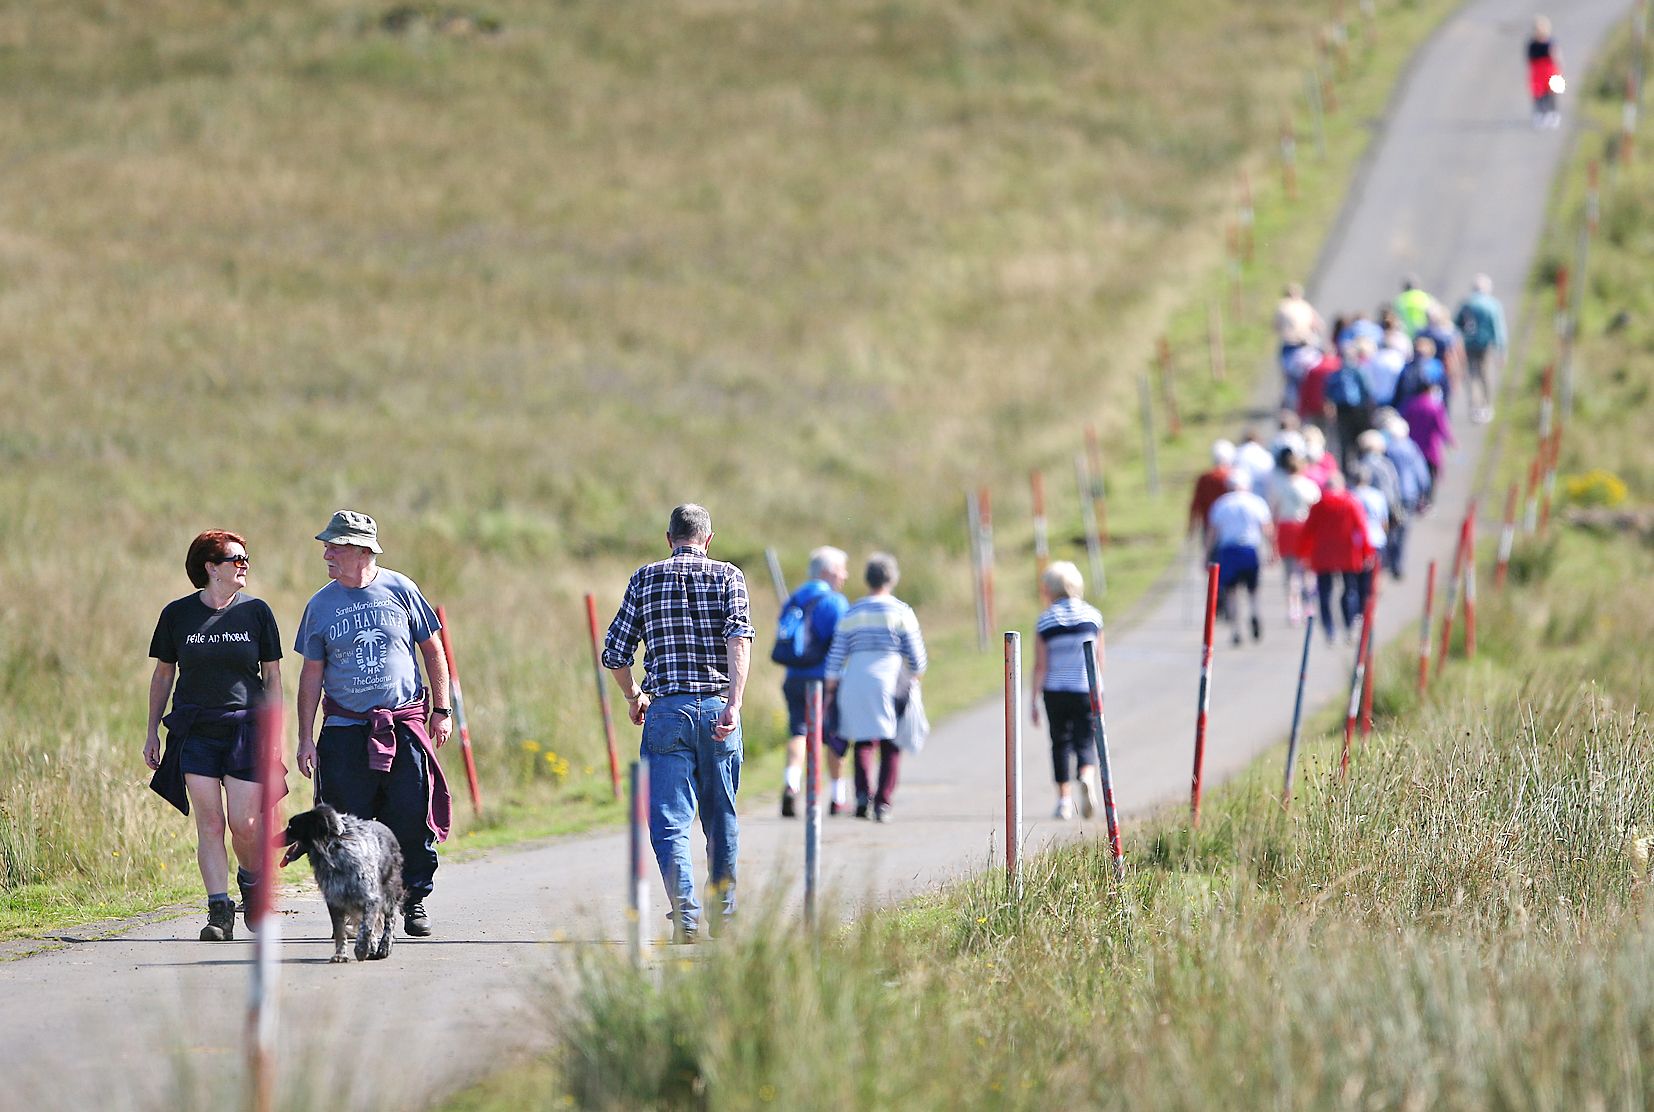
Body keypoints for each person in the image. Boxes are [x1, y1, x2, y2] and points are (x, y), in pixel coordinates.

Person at [294, 510, 453, 939]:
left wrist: (442, 710)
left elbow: (432, 651)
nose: (326, 553)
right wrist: (305, 737)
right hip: (345, 732)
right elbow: (311, 675)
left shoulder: (401, 589)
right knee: (345, 826)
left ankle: (413, 900)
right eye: (326, 545)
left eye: (335, 546)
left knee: (410, 816)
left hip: (402, 727)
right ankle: (352, 905)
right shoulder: (320, 604)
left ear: (362, 550)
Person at [603, 504, 753, 942]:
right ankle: (723, 917)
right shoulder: (729, 576)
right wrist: (734, 703)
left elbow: (615, 652)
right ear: (708, 538)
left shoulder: (645, 578)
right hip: (717, 707)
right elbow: (739, 639)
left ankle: (684, 917)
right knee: (720, 816)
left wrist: (634, 695)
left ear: (669, 538)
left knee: (669, 823)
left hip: (666, 709)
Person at [146, 531, 285, 942]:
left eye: (246, 558)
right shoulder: (177, 615)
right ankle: (219, 911)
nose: (244, 565)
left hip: (246, 729)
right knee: (209, 822)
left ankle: (251, 880)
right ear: (210, 567)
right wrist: (152, 729)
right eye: (235, 558)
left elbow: (272, 676)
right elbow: (163, 675)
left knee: (244, 824)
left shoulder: (257, 613)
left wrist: (275, 731)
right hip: (196, 729)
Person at [824, 553, 927, 823]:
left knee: (862, 739)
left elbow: (837, 653)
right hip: (891, 676)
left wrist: (832, 683)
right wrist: (915, 675)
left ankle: (861, 795)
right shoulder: (901, 612)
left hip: (856, 678)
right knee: (891, 742)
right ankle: (883, 802)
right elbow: (917, 657)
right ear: (892, 579)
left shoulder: (854, 611)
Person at [776, 546, 850, 818]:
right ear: (828, 571)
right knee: (833, 736)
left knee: (798, 731)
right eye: (842, 570)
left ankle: (791, 784)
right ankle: (837, 796)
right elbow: (842, 641)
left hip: (795, 677)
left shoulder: (796, 597)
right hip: (826, 678)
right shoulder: (834, 602)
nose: (845, 575)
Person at [1030, 562, 1105, 821]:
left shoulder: (1046, 620)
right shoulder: (1093, 616)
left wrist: (1033, 699)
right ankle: (1085, 775)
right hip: (1086, 687)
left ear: (1050, 589)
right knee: (1085, 740)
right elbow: (1099, 658)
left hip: (1056, 689)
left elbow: (1041, 665)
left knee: (1059, 743)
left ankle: (1063, 800)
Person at [1298, 473, 1375, 645]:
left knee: (1325, 593)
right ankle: (1349, 626)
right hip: (1347, 553)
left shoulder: (1319, 506)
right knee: (1350, 591)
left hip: (1323, 554)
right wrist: (1367, 552)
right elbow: (1362, 529)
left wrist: (1304, 554)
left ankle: (1329, 630)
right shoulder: (1351, 503)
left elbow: (1307, 532)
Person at [1206, 471, 1276, 645]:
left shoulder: (1222, 503)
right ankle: (1254, 612)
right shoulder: (1256, 502)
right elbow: (1267, 528)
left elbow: (1212, 532)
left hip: (1228, 550)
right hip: (1250, 549)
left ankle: (1236, 629)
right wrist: (1273, 550)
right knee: (1253, 590)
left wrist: (1207, 555)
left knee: (1231, 592)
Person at [1266, 450, 1321, 626]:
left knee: (1290, 572)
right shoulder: (1309, 486)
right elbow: (1316, 509)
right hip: (1304, 527)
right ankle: (1309, 605)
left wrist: (1272, 541)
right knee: (1307, 570)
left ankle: (1293, 609)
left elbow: (1273, 512)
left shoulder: (1280, 487)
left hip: (1286, 528)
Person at [1455, 274, 1508, 423]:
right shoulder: (1492, 304)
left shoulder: (1466, 303)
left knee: (1472, 376)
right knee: (1484, 375)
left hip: (1468, 344)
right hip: (1484, 345)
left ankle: (1474, 408)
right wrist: (1501, 350)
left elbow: (1456, 325)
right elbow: (1498, 328)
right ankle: (1486, 406)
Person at [1399, 382, 1456, 484]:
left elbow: (1403, 421)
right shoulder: (1434, 407)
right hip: (1430, 447)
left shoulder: (1411, 405)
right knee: (1431, 476)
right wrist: (1450, 440)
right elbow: (1441, 426)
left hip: (1415, 446)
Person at [1188, 439, 1236, 551]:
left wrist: (1191, 528)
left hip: (1209, 527)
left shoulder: (1205, 479)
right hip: (1230, 528)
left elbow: (1196, 504)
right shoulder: (1233, 477)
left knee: (1213, 563)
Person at [1274, 282, 1326, 375]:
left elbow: (1276, 326)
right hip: (1306, 343)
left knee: (1292, 376)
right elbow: (1319, 324)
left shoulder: (1283, 306)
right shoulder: (1304, 305)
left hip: (1292, 344)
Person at [1528, 16, 1563, 128]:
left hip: (1550, 72)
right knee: (1539, 95)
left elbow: (1556, 57)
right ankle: (1540, 114)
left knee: (1551, 95)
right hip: (1538, 73)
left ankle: (1552, 114)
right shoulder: (1532, 45)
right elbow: (1530, 59)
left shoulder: (1551, 43)